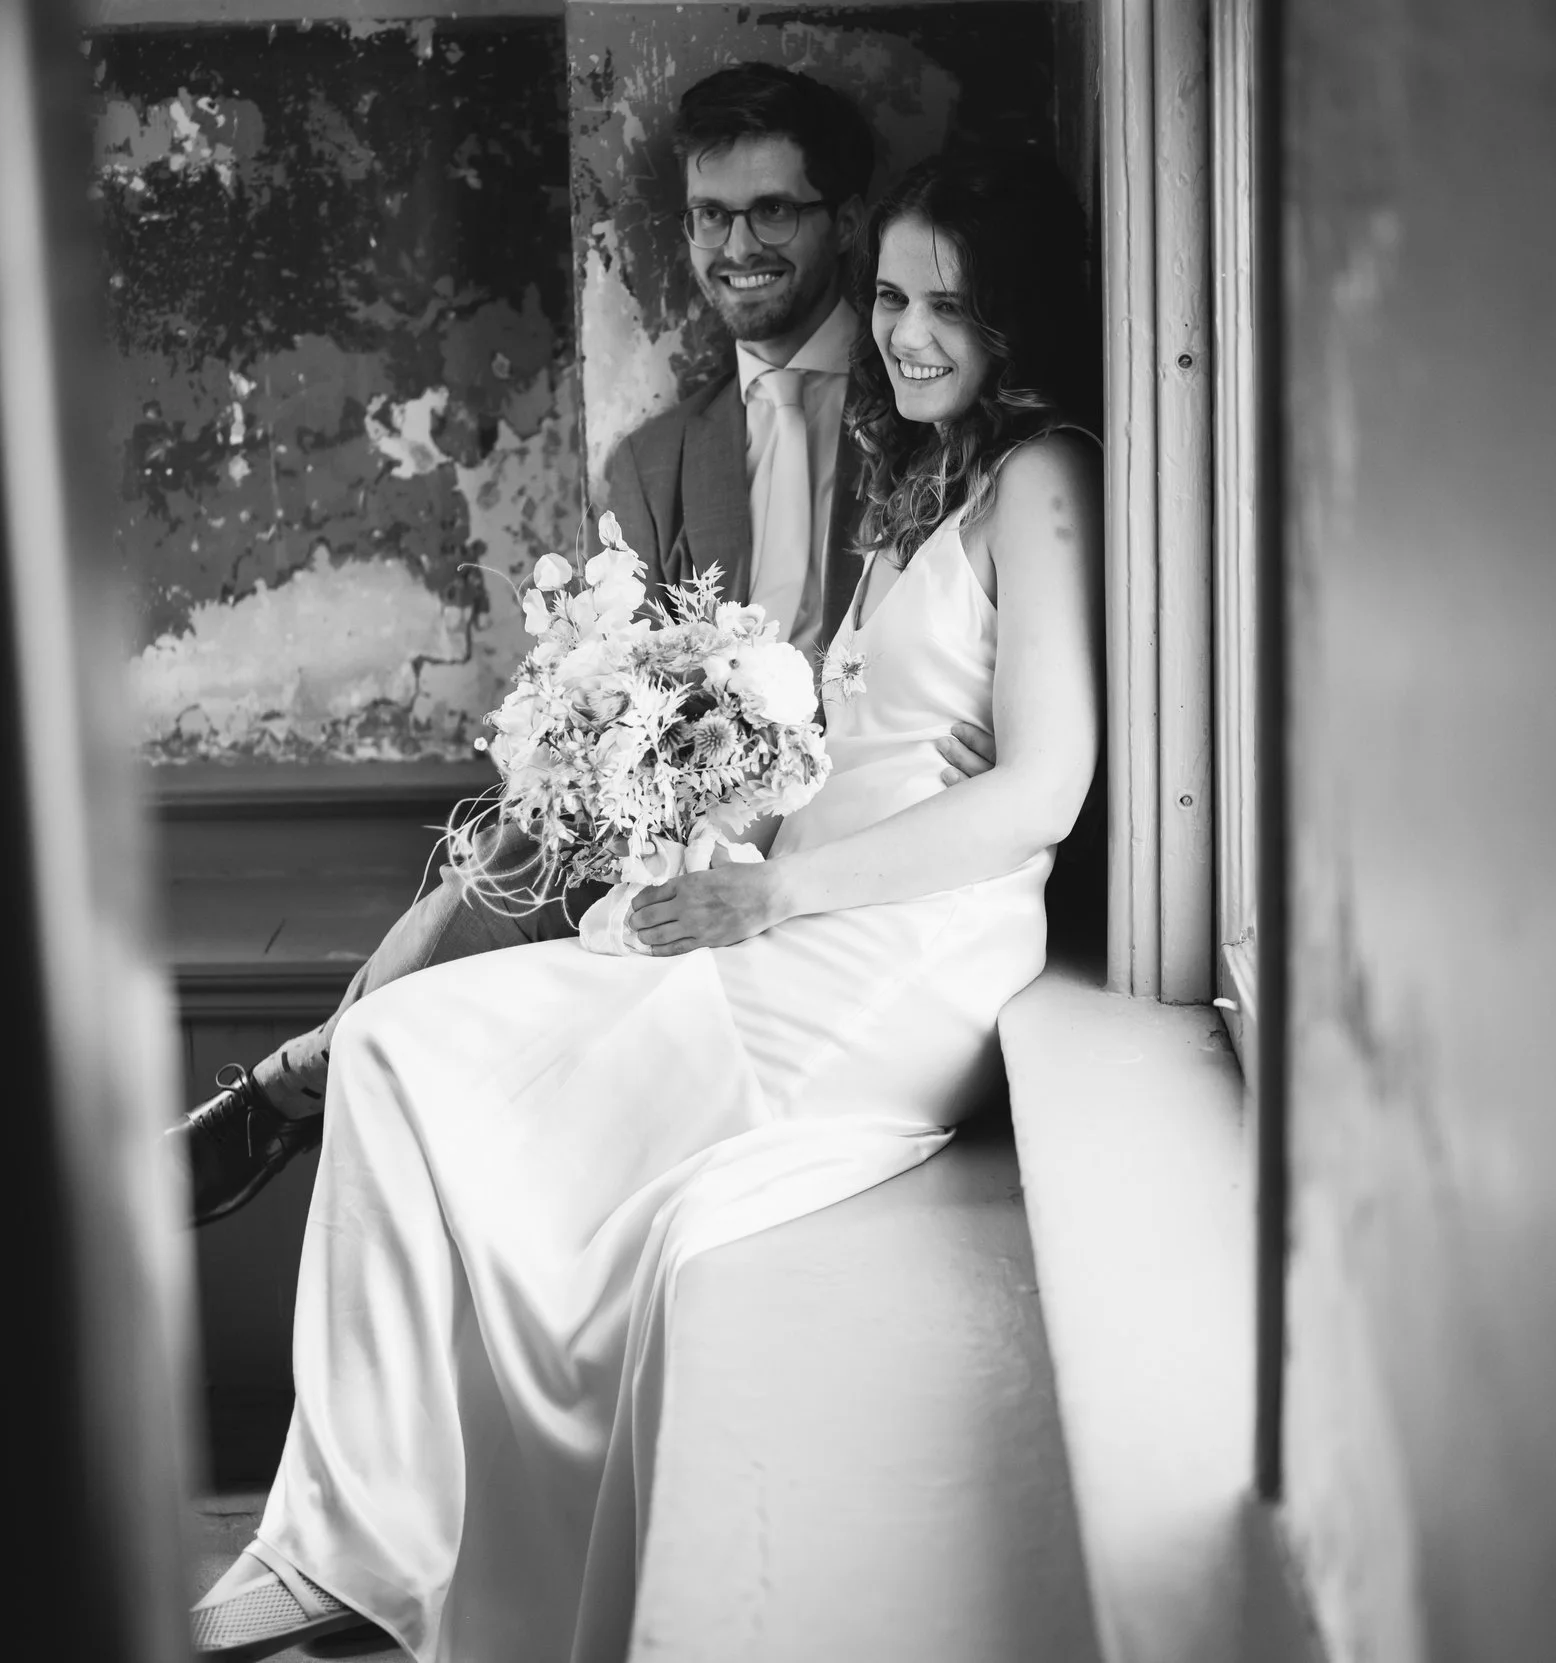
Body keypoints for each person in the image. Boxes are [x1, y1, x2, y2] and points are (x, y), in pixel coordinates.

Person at [187, 147, 1104, 1663]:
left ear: (1018, 316)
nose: (908, 333)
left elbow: (1044, 790)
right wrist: (713, 824)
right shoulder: (929, 478)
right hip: (805, 901)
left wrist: (778, 891)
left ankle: (366, 1551)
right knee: (414, 1050)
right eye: (891, 297)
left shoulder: (1045, 476)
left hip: (897, 953)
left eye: (951, 303)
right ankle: (358, 1541)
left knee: (443, 1079)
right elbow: (862, 750)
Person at [170, 63, 1003, 1226]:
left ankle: (296, 1080)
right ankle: (318, 1067)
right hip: (690, 831)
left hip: (857, 831)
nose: (736, 246)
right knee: (522, 833)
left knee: (493, 932)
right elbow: (621, 686)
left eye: (773, 209)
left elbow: (958, 618)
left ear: (844, 219)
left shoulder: (921, 395)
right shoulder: (657, 461)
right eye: (711, 215)